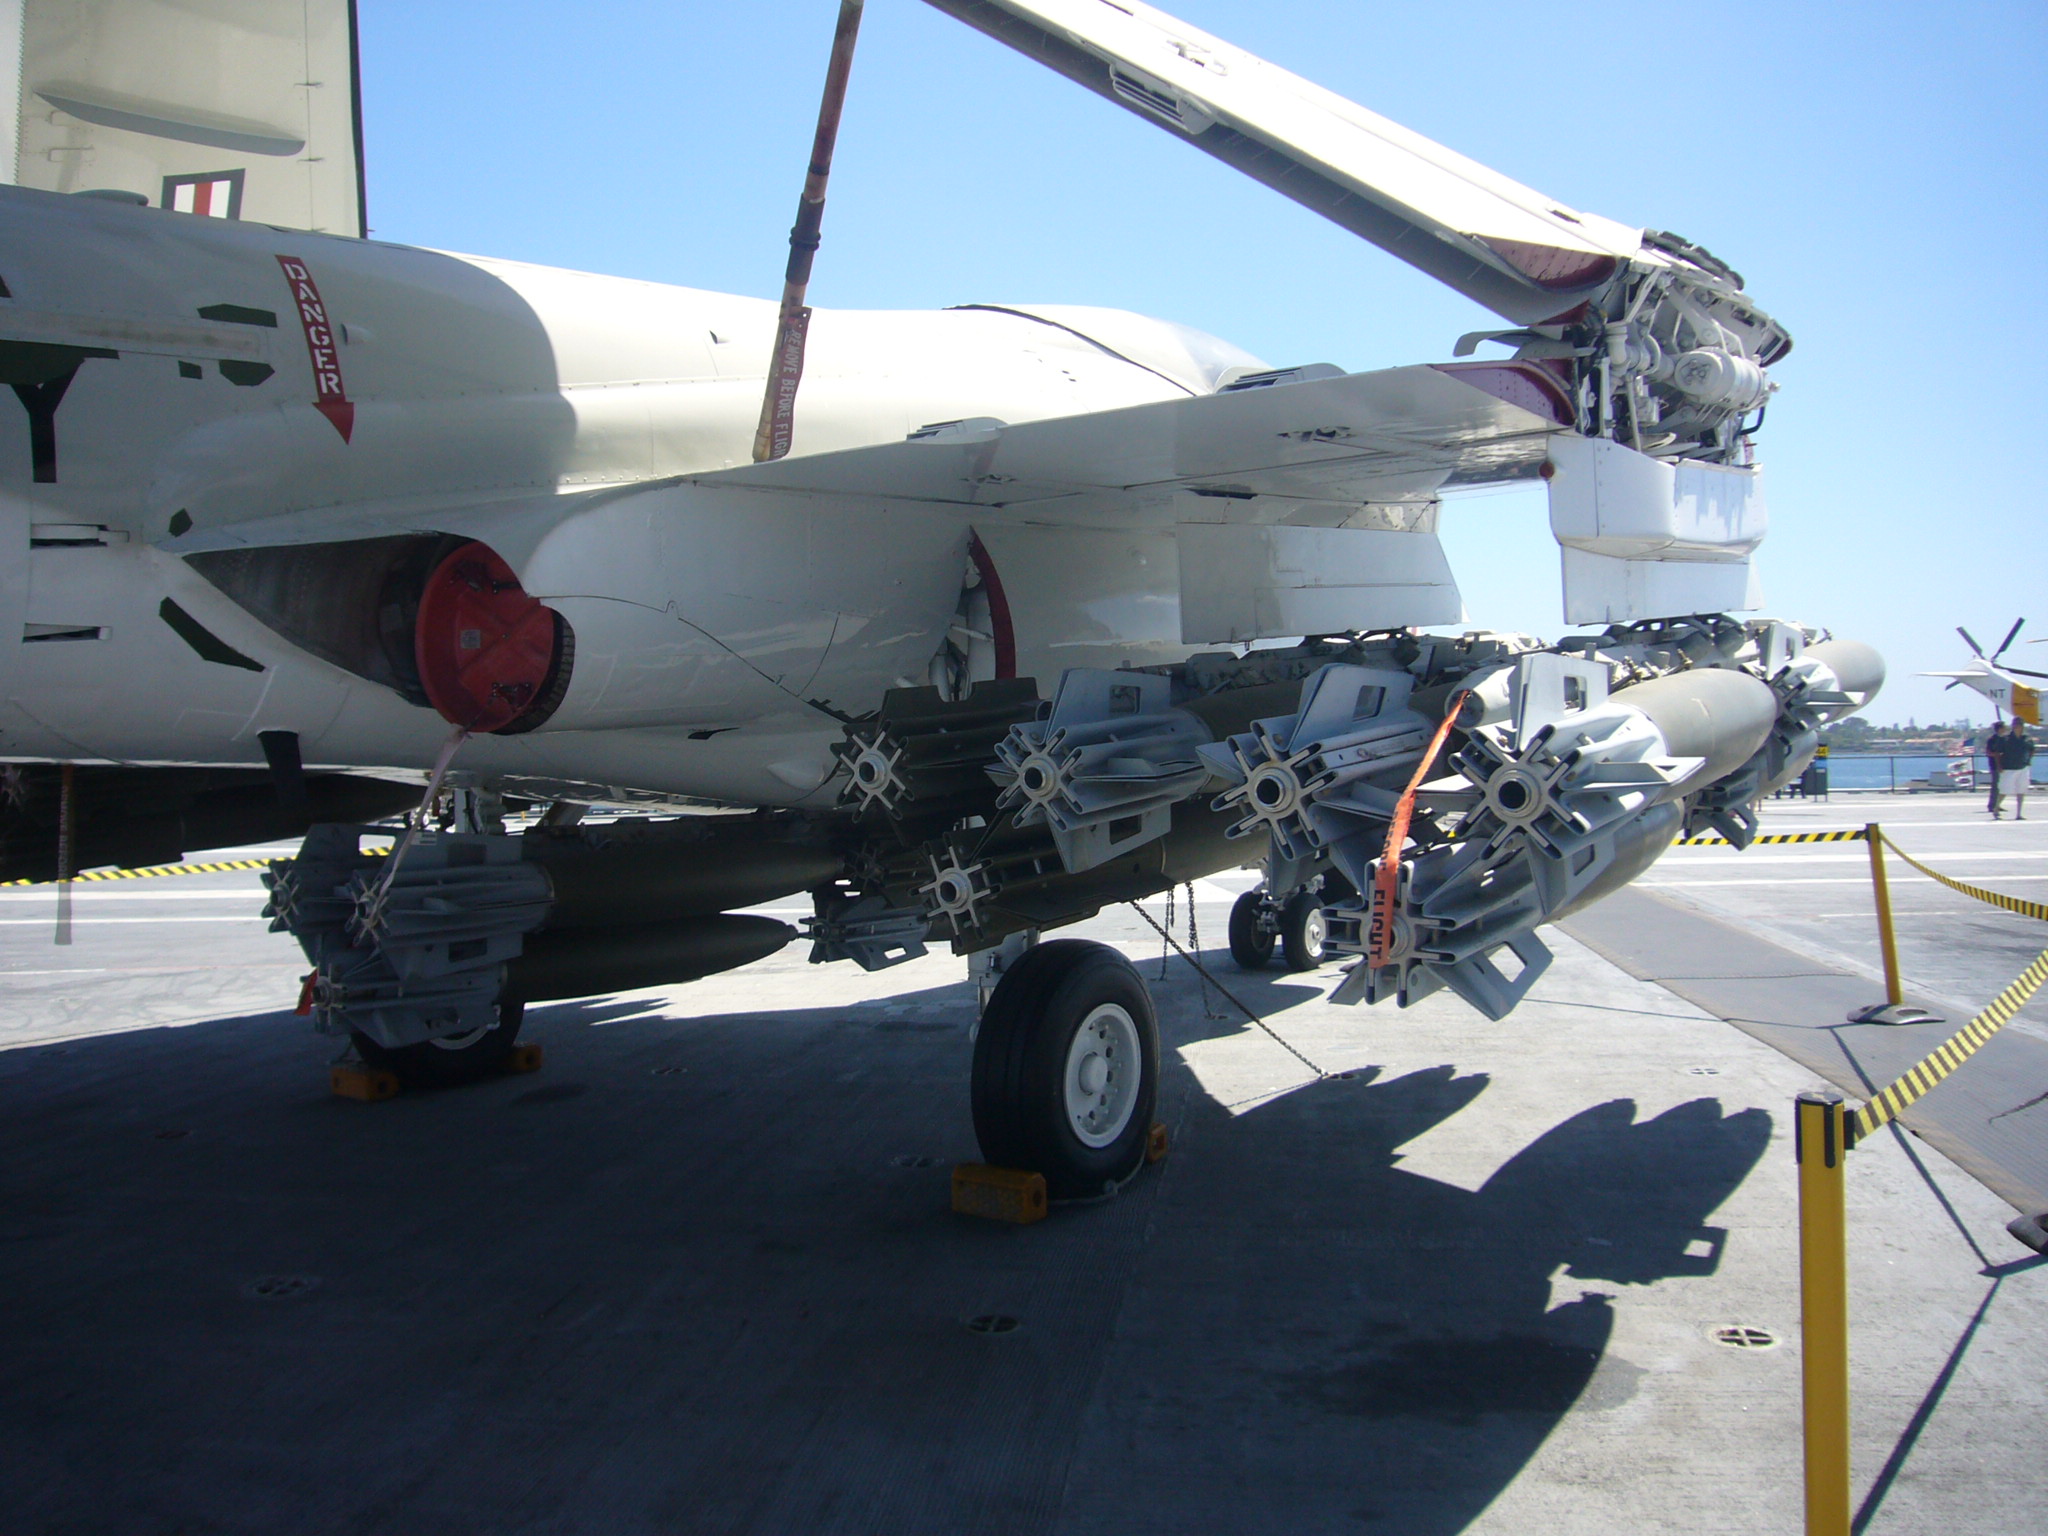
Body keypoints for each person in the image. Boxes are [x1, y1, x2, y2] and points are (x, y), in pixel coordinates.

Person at [1993, 723, 2034, 820]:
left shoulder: (2027, 739)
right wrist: (1999, 766)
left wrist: (2029, 760)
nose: (2019, 728)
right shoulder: (2005, 739)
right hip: (2008, 768)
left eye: (2020, 725)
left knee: (2021, 791)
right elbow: (1997, 753)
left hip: (2022, 767)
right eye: (2016, 725)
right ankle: (1996, 808)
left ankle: (2019, 814)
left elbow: (2032, 750)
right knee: (2004, 790)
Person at [1984, 720, 2009, 812]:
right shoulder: (1992, 739)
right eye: (2004, 727)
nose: (2005, 729)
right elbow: (1988, 752)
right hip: (1995, 766)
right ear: (2000, 729)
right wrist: (1997, 755)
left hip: (2004, 765)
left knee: (2002, 786)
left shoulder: (2004, 739)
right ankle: (1992, 805)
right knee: (1995, 786)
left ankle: (1997, 804)